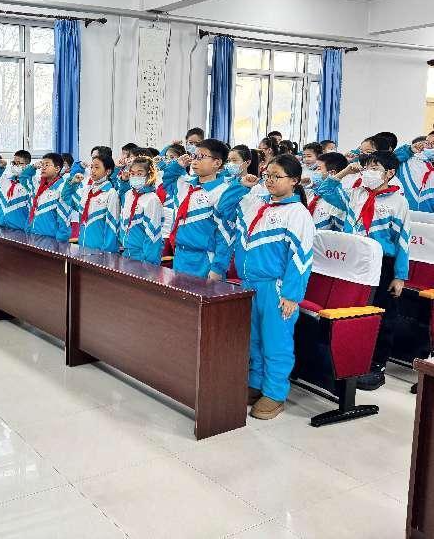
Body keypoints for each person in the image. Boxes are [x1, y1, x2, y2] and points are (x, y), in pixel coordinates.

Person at [221, 154, 314, 420]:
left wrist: (291, 296)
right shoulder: (256, 202)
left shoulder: (297, 214)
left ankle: (274, 393)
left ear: (294, 181)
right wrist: (242, 185)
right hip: (249, 283)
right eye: (267, 175)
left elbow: (301, 259)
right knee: (253, 339)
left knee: (276, 342)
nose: (270, 181)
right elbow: (224, 209)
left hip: (276, 288)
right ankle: (256, 383)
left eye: (277, 176)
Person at [319, 151, 411, 390]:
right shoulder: (356, 194)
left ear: (389, 173)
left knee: (381, 314)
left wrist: (400, 276)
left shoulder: (398, 202)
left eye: (375, 168)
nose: (369, 171)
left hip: (381, 264)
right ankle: (350, 360)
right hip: (352, 262)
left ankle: (377, 365)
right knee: (353, 310)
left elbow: (403, 241)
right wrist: (346, 171)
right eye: (367, 167)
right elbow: (324, 190)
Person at [162, 138, 234, 280]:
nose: (195, 160)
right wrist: (177, 165)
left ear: (217, 163)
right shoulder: (185, 184)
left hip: (205, 259)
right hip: (180, 255)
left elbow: (226, 235)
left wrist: (217, 268)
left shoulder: (223, 192)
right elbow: (167, 180)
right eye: (194, 156)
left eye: (201, 157)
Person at [64, 154, 120, 252]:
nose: (93, 170)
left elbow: (112, 227)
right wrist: (72, 183)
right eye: (91, 167)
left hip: (100, 250)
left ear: (108, 171)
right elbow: (67, 198)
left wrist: (107, 253)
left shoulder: (111, 193)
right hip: (83, 246)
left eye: (97, 167)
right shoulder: (87, 190)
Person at [117, 157, 164, 265]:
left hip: (143, 255)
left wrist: (148, 264)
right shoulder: (128, 194)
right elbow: (121, 194)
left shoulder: (152, 199)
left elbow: (153, 235)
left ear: (149, 175)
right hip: (126, 252)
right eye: (132, 173)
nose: (135, 177)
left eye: (139, 173)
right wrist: (123, 181)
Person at [23, 153, 71, 240]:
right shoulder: (37, 184)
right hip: (31, 235)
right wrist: (33, 167)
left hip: (50, 239)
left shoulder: (62, 189)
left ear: (57, 169)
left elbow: (64, 220)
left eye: (47, 165)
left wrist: (60, 242)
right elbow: (23, 178)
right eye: (42, 164)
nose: (43, 167)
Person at [307, 151, 349, 230]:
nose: (315, 172)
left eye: (319, 169)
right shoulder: (314, 193)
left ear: (332, 173)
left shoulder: (337, 199)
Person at [394, 135, 434, 212]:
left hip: (429, 217)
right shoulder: (404, 165)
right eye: (427, 143)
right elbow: (388, 161)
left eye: (432, 144)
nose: (430, 146)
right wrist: (409, 150)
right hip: (402, 214)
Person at [0, 150, 32, 230]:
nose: (16, 166)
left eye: (20, 163)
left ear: (28, 166)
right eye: (14, 163)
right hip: (1, 226)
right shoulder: (5, 180)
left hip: (20, 229)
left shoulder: (31, 184)